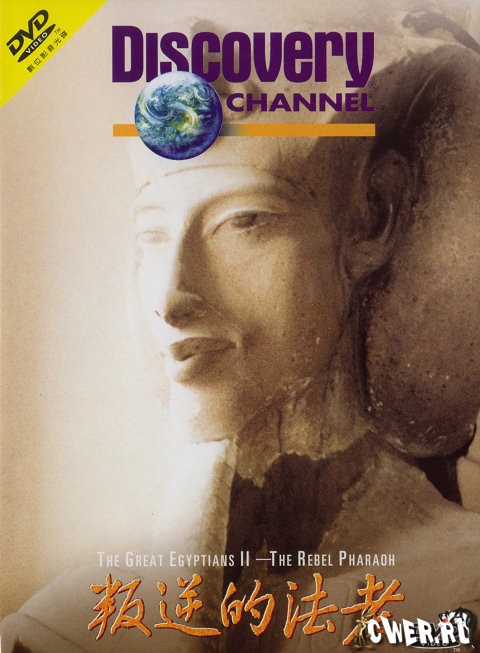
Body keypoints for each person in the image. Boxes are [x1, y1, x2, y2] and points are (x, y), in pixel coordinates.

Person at [3, 10, 480, 653]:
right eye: (152, 234)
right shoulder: (54, 631)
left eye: (242, 222)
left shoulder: (458, 601)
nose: (171, 297)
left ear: (374, 216)